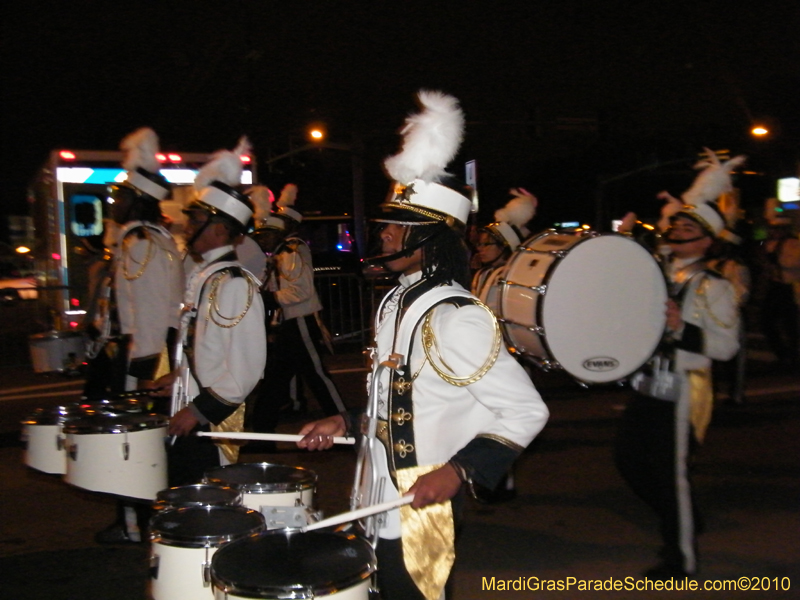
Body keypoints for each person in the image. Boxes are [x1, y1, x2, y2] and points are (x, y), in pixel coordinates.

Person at [296, 90, 549, 600]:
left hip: (420, 505)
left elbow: (527, 411)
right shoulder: (399, 301)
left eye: (398, 227)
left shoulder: (457, 318)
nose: (385, 235)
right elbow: (403, 399)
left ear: (429, 241)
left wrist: (459, 472)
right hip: (377, 494)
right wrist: (346, 420)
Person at [615, 149, 742, 580]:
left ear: (707, 240)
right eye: (676, 226)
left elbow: (726, 347)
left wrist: (680, 327)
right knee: (629, 461)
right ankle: (683, 516)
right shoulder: (661, 273)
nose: (675, 232)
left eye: (687, 229)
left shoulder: (714, 286)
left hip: (685, 388)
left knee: (672, 478)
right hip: (648, 384)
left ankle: (681, 559)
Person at [86, 127, 185, 544]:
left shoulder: (142, 244)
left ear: (139, 201)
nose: (115, 203)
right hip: (140, 352)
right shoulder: (144, 240)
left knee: (130, 439)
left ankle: (135, 524)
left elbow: (145, 316)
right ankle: (134, 520)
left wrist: (139, 371)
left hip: (142, 356)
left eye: (122, 197)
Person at [151, 139, 266, 486]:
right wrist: (179, 376)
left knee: (207, 500)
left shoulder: (234, 284)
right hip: (192, 402)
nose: (187, 226)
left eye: (196, 220)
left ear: (219, 229)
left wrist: (198, 412)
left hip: (211, 418)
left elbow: (246, 369)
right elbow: (206, 348)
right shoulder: (207, 276)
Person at [250, 183, 346, 440]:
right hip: (291, 321)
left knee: (315, 374)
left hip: (301, 320)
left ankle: (343, 419)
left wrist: (271, 298)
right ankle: (262, 430)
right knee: (276, 377)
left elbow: (301, 291)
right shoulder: (282, 252)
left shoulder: (293, 249)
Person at [470, 188, 537, 502]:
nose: (480, 248)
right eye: (480, 243)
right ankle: (493, 480)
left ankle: (499, 482)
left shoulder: (506, 277)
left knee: (503, 420)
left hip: (505, 357)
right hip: (487, 356)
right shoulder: (485, 273)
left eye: (488, 244)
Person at [758, 199, 800, 371]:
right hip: (775, 287)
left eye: (775, 228)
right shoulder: (769, 243)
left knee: (791, 326)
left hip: (789, 287)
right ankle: (784, 353)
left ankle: (793, 356)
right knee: (766, 321)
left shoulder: (793, 243)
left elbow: (792, 263)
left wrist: (772, 260)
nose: (772, 231)